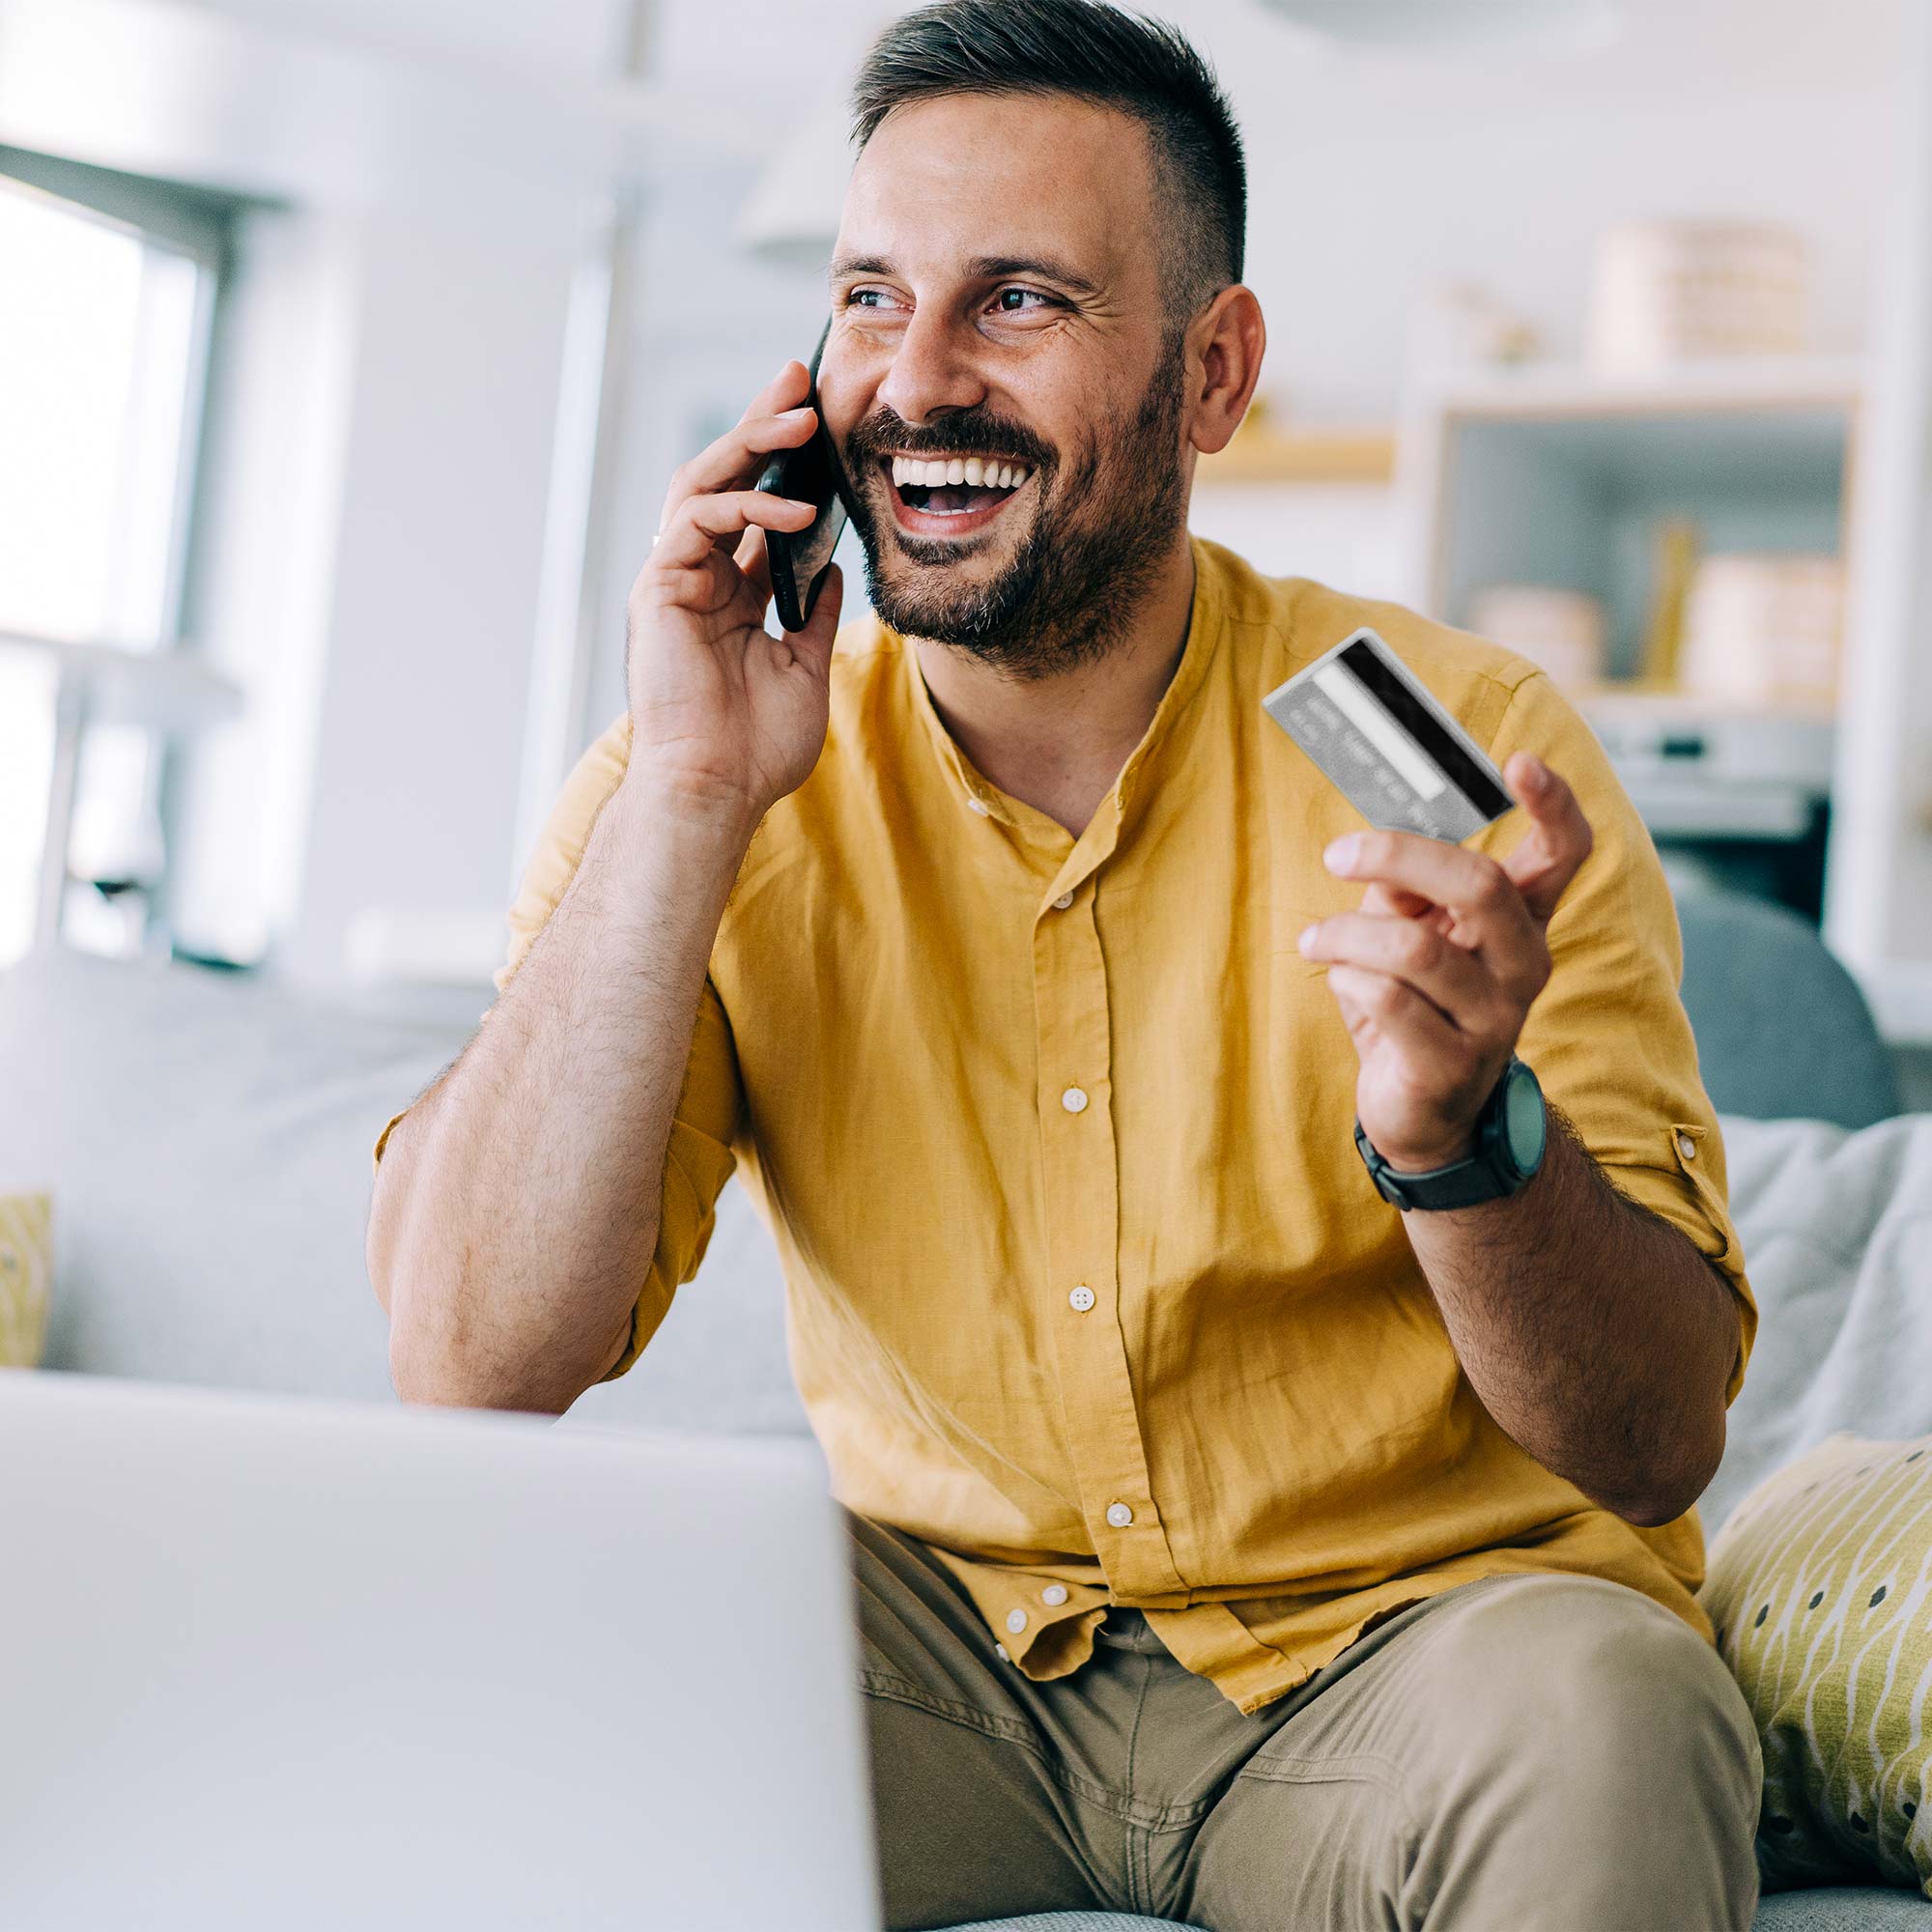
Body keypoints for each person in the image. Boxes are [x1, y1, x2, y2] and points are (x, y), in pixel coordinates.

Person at [366, 2, 1763, 1925]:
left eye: (1014, 301)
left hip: (1406, 1654)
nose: (914, 382)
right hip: (939, 1660)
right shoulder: (693, 767)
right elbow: (468, 1370)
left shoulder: (1465, 735)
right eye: (870, 297)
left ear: (1211, 374)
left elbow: (1654, 1431)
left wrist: (1464, 1139)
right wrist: (689, 793)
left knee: (1617, 1706)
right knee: (492, 1630)